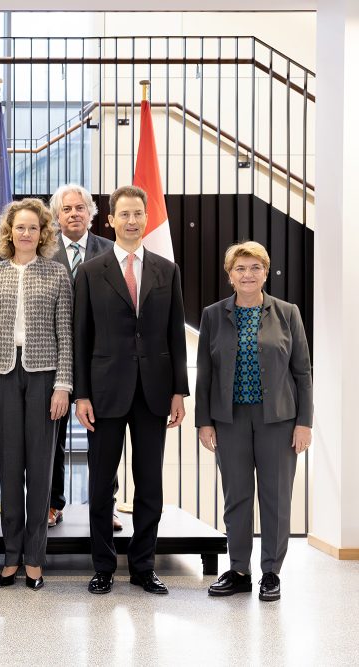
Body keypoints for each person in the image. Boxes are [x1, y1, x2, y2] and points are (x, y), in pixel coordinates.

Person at [74, 185, 188, 596]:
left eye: (138, 213)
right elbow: (81, 336)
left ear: (145, 217)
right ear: (111, 220)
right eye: (124, 214)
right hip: (103, 393)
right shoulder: (90, 271)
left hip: (154, 392)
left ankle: (143, 566)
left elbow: (176, 334)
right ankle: (103, 566)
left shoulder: (166, 270)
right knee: (101, 484)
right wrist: (81, 394)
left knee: (149, 483)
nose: (132, 220)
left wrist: (179, 390)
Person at [196, 241, 312, 602]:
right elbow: (205, 373)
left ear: (266, 271)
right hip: (228, 420)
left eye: (255, 268)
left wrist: (304, 422)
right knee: (237, 497)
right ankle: (239, 570)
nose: (248, 275)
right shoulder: (213, 315)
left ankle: (272, 573)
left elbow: (302, 372)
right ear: (230, 276)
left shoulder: (288, 313)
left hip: (279, 419)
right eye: (240, 269)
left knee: (277, 497)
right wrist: (204, 421)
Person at [0, 199, 73, 590]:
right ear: (8, 232)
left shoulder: (57, 274)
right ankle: (11, 555)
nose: (26, 233)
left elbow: (66, 334)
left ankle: (35, 559)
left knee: (41, 471)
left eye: (33, 227)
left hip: (45, 378)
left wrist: (63, 385)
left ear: (43, 233)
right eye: (20, 227)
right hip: (2, 377)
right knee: (10, 471)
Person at [47, 184, 116, 530]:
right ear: (57, 216)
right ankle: (52, 503)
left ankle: (107, 506)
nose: (73, 213)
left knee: (102, 440)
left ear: (91, 213)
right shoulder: (44, 252)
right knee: (51, 437)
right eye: (66, 209)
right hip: (54, 356)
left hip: (98, 359)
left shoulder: (111, 251)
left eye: (79, 208)